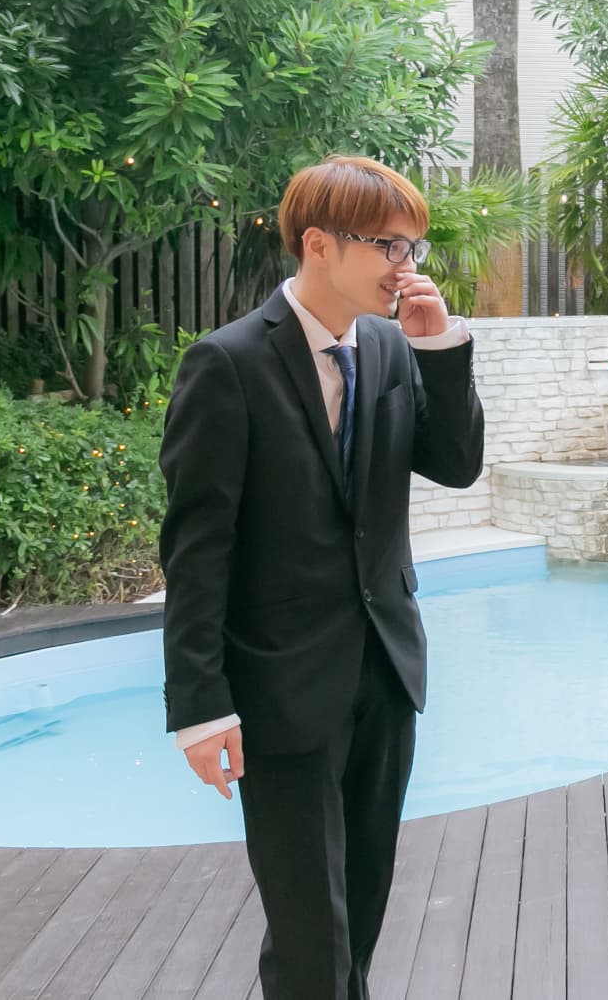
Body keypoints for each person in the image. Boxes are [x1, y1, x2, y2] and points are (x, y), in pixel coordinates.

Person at [159, 156, 485, 999]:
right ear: (317, 244)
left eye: (412, 246)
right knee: (312, 939)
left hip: (385, 672)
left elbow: (456, 463)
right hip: (282, 688)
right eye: (388, 245)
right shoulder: (227, 363)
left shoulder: (390, 346)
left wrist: (439, 347)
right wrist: (199, 705)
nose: (405, 264)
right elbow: (197, 546)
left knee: (360, 921)